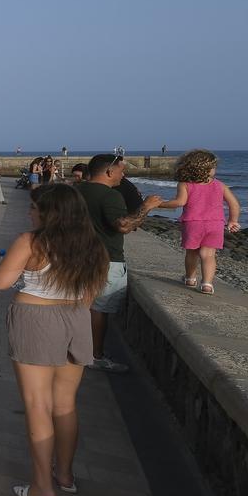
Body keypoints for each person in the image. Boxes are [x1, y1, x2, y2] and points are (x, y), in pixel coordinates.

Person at [0, 184, 110, 496]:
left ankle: (42, 485)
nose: (30, 213)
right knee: (65, 404)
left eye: (34, 208)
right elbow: (92, 292)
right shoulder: (93, 246)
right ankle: (65, 474)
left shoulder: (31, 242)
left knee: (37, 405)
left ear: (49, 212)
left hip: (35, 319)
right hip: (76, 317)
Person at [75, 154, 162, 372]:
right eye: (121, 171)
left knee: (79, 306)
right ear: (108, 172)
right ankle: (94, 355)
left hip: (77, 256)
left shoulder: (76, 191)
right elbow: (123, 225)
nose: (123, 175)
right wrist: (146, 206)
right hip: (106, 260)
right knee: (98, 310)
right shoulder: (110, 196)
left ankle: (74, 348)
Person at [155, 150, 241, 295]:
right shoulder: (220, 185)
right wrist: (233, 221)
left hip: (193, 224)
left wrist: (159, 204)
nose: (215, 170)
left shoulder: (185, 184)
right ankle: (207, 284)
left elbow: (179, 202)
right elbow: (234, 204)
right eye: (214, 167)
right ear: (207, 169)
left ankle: (190, 278)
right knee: (208, 254)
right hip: (215, 224)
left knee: (192, 253)